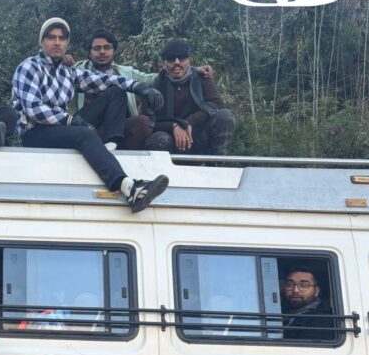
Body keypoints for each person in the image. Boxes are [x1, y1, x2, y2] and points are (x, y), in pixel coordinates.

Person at [12, 17, 169, 214]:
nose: (57, 42)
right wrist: (70, 120)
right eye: (51, 37)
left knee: (115, 90)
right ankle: (130, 188)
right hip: (35, 133)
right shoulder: (29, 67)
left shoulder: (68, 71)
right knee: (83, 134)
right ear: (42, 41)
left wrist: (139, 87)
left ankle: (109, 148)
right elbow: (33, 109)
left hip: (62, 127)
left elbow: (103, 80)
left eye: (62, 38)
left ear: (67, 43)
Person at [72, 29, 213, 150]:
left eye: (107, 47)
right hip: (85, 125)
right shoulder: (75, 70)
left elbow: (155, 77)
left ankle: (120, 153)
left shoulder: (125, 73)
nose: (102, 52)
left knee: (144, 122)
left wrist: (190, 69)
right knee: (117, 90)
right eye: (97, 48)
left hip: (115, 129)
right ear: (89, 52)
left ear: (114, 50)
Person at [125, 38, 236, 155]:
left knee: (225, 116)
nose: (177, 62)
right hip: (171, 140)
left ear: (188, 60)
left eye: (181, 57)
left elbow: (217, 105)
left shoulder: (201, 78)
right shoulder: (156, 85)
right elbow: (148, 121)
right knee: (158, 139)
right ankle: (162, 172)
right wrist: (174, 126)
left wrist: (189, 122)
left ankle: (215, 166)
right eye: (171, 58)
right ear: (164, 63)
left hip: (198, 135)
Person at [281, 266, 335, 341]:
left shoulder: (324, 320)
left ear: (316, 291)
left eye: (303, 285)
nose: (295, 290)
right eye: (290, 284)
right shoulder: (277, 310)